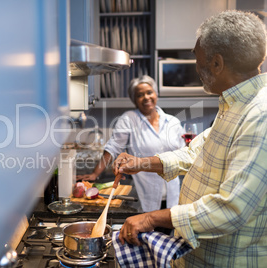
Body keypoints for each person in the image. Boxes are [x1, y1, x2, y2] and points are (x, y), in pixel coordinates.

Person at [113, 10, 267, 267]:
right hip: (194, 256)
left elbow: (231, 209)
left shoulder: (259, 115)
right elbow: (194, 153)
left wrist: (150, 219)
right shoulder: (234, 105)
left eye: (197, 58)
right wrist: (139, 163)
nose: (196, 67)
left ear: (217, 64)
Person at [79, 75, 185, 213]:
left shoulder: (173, 122)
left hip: (173, 194)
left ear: (155, 93)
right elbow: (113, 147)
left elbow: (184, 153)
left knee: (170, 232)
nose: (146, 97)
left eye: (149, 92)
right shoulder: (129, 119)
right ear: (134, 100)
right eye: (140, 95)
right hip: (145, 193)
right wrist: (95, 174)